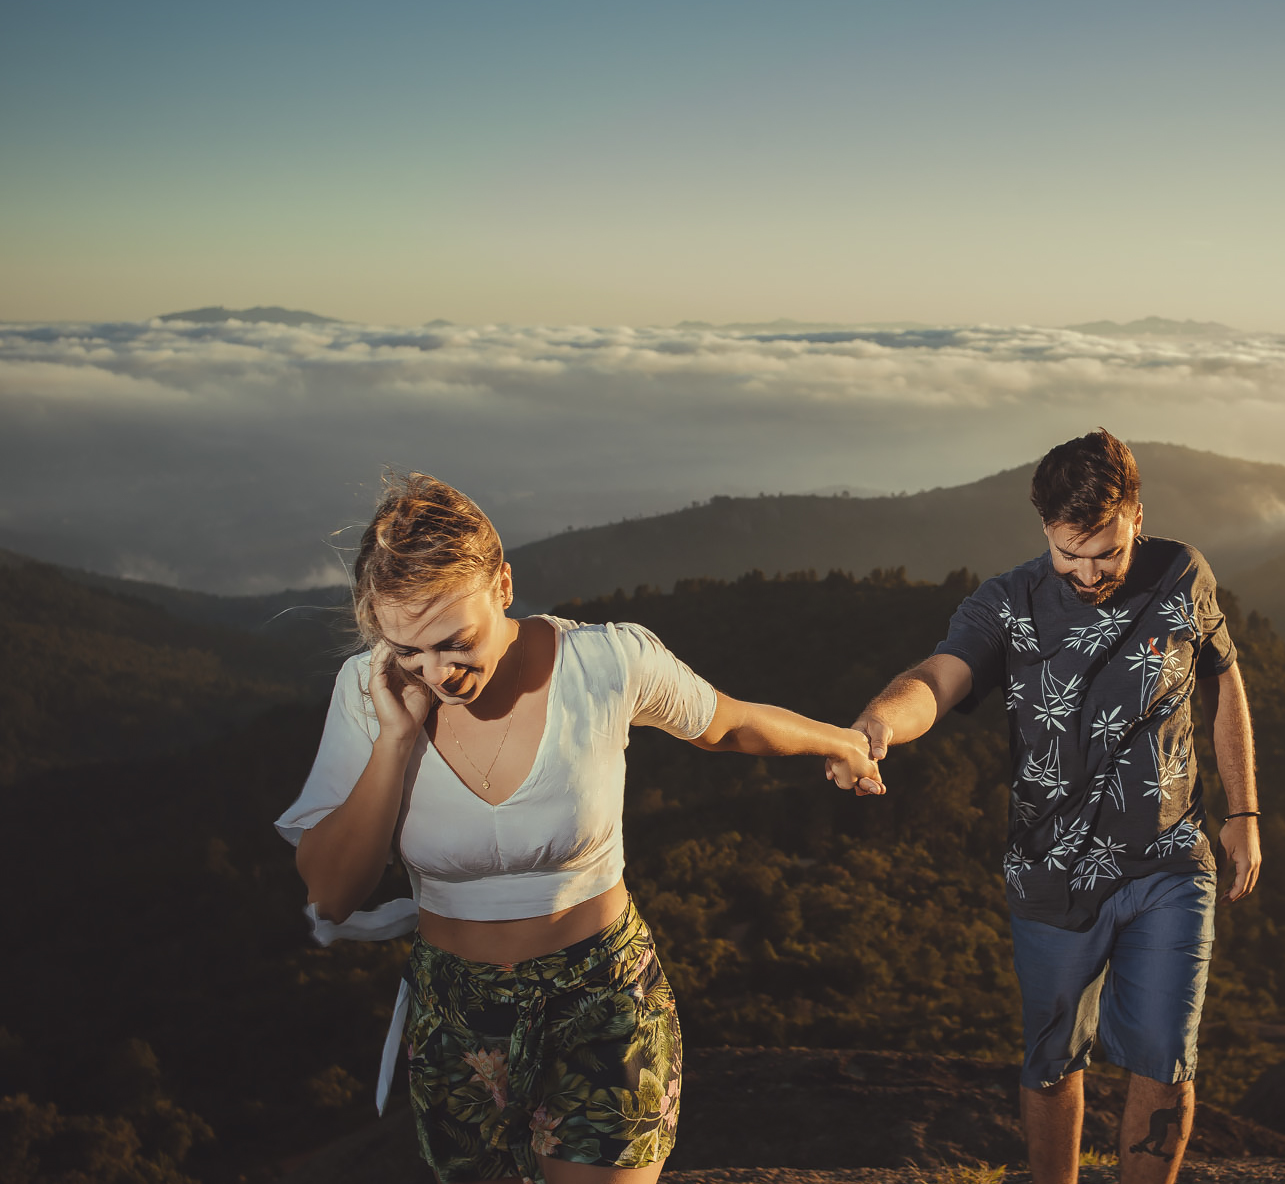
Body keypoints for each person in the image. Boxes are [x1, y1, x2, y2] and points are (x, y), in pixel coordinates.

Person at [275, 473, 883, 1184]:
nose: (435, 672)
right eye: (406, 648)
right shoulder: (366, 690)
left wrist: (838, 742)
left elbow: (726, 722)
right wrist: (393, 739)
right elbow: (330, 893)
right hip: (457, 1016)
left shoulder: (604, 661)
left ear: (503, 585)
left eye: (453, 641)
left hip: (605, 994)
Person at [851, 430, 1259, 1184]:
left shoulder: (1181, 573)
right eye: (1068, 554)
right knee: (1050, 1060)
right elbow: (937, 678)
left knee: (1166, 1059)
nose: (1087, 572)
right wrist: (879, 722)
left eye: (1104, 552)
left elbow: (1221, 678)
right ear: (1045, 529)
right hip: (1050, 870)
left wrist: (1243, 814)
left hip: (1169, 859)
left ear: (1136, 513)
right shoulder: (1007, 602)